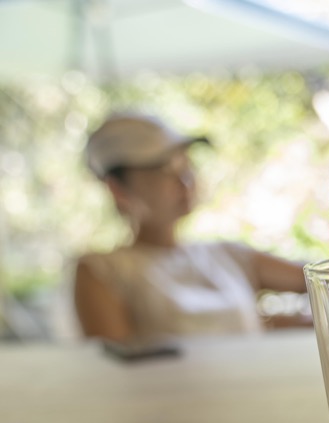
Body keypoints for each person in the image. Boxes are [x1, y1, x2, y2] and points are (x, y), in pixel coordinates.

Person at [74, 111, 309, 342]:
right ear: (118, 189)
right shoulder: (104, 272)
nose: (184, 179)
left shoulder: (226, 255)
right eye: (164, 169)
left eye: (185, 163)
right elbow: (117, 367)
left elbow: (322, 279)